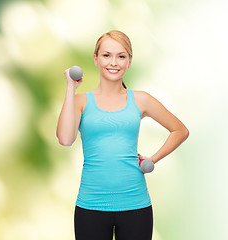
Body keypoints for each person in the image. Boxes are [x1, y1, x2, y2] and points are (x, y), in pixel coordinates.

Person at [56, 30, 189, 240]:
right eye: (106, 55)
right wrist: (71, 88)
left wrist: (153, 158)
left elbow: (180, 130)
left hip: (136, 206)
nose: (114, 62)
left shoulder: (141, 100)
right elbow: (65, 139)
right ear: (96, 59)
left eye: (121, 56)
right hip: (90, 206)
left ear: (129, 61)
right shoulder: (80, 102)